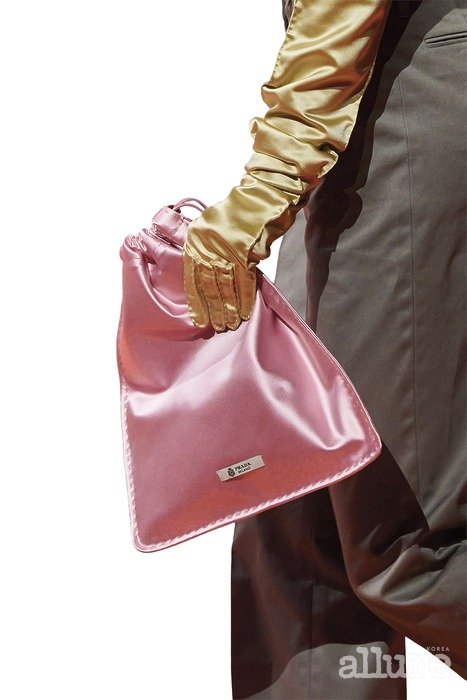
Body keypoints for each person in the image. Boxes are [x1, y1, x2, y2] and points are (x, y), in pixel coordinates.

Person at [182, 0, 467, 697]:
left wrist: (265, 188)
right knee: (298, 501)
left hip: (408, 92)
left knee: (404, 540)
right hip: (359, 113)